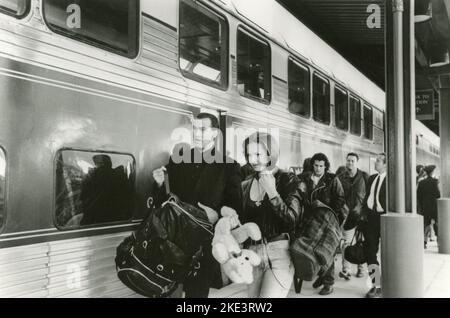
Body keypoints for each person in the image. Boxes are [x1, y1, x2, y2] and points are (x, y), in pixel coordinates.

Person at [152, 112, 243, 298]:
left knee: (196, 297)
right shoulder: (178, 160)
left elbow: (235, 208)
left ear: (215, 133)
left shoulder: (229, 166)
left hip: (204, 246)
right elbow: (166, 200)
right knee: (168, 293)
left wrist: (217, 213)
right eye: (195, 129)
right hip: (173, 242)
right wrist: (160, 183)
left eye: (203, 129)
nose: (197, 134)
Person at [240, 132, 302, 298]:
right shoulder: (246, 183)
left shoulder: (288, 180)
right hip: (252, 254)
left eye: (258, 154)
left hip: (279, 252)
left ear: (271, 153)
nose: (253, 160)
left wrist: (273, 193)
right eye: (249, 154)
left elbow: (292, 220)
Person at [299, 153, 346, 296]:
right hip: (310, 221)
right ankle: (321, 275)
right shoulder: (306, 179)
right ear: (312, 165)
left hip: (327, 221)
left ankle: (328, 283)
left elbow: (340, 198)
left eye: (321, 166)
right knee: (312, 250)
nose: (318, 168)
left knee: (326, 252)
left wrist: (330, 213)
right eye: (316, 165)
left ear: (325, 166)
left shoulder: (332, 179)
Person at [337, 153, 368, 280]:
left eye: (352, 161)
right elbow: (337, 195)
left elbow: (368, 195)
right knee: (346, 244)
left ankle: (362, 269)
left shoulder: (364, 176)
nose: (350, 163)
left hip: (361, 216)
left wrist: (365, 211)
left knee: (361, 243)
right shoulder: (340, 177)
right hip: (347, 216)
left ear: (357, 162)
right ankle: (346, 270)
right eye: (348, 160)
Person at [362, 153, 387, 298]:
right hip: (371, 219)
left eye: (378, 161)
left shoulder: (392, 181)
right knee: (370, 252)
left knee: (386, 254)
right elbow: (367, 197)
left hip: (385, 218)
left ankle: (385, 284)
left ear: (385, 164)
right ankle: (375, 284)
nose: (375, 163)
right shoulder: (372, 178)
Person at [417, 165, 440, 249]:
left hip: (424, 206)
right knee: (436, 224)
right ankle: (439, 241)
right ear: (432, 172)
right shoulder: (435, 181)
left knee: (426, 224)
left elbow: (418, 195)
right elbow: (438, 195)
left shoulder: (421, 182)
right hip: (434, 206)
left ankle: (424, 242)